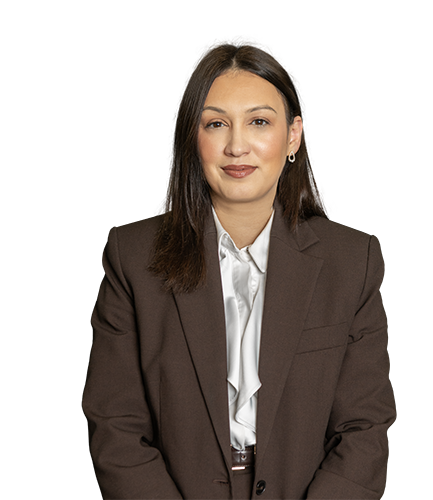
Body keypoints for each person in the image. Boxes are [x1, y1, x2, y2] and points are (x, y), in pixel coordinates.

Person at [82, 35, 396, 500]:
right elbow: (115, 426)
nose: (236, 146)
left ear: (293, 136)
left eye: (259, 122)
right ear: (193, 138)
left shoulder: (352, 262)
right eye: (216, 124)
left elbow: (365, 429)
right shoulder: (133, 257)